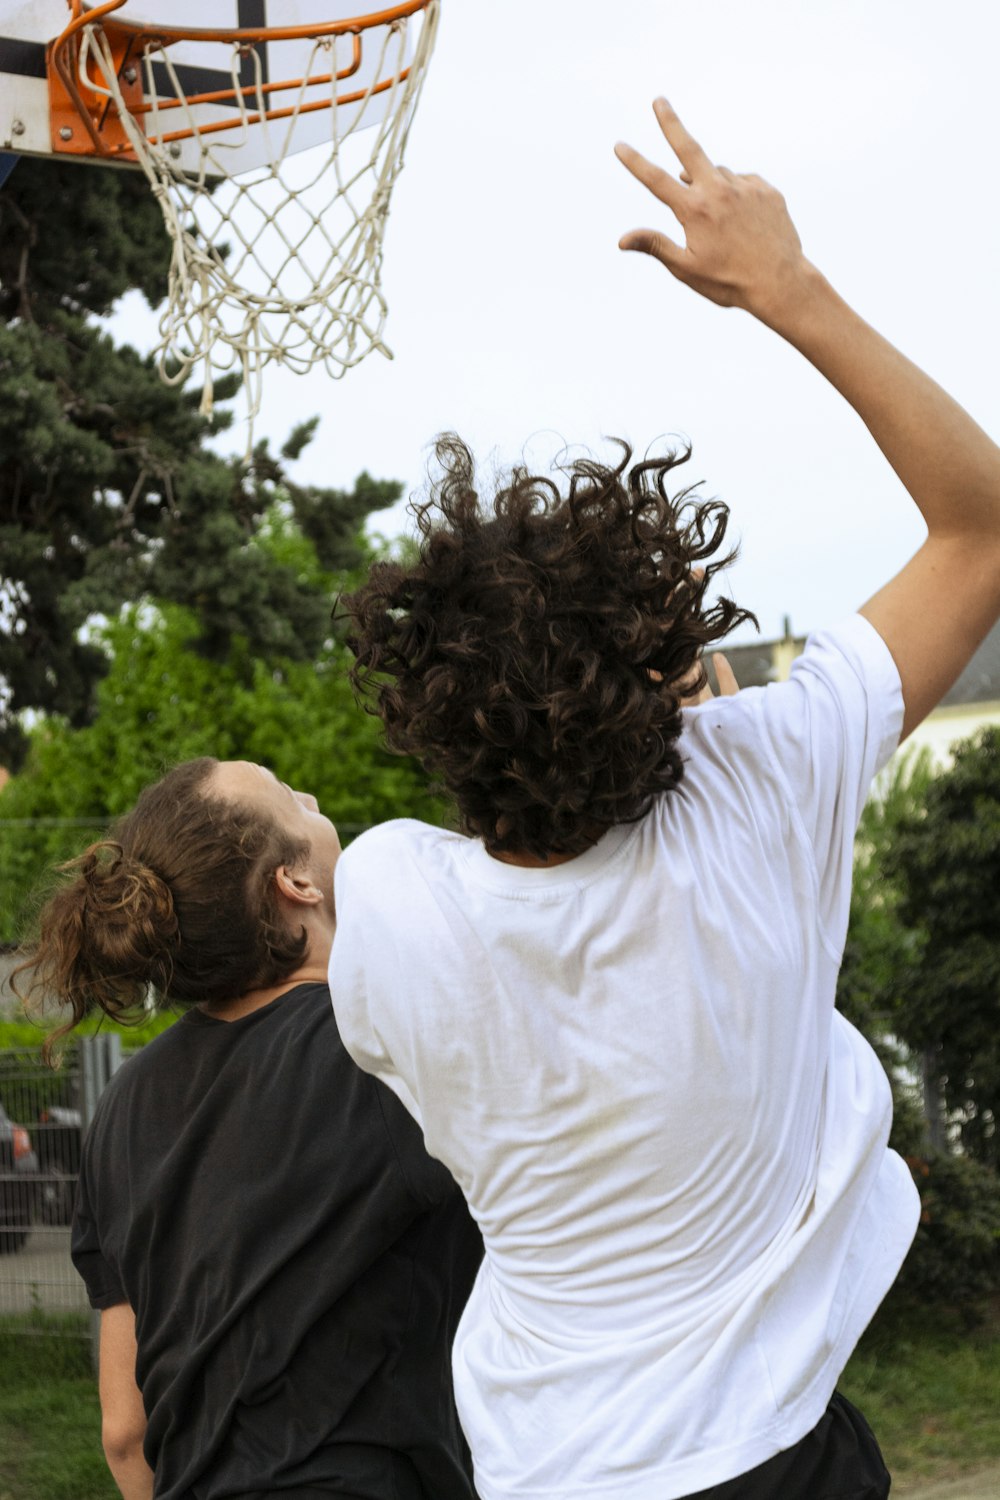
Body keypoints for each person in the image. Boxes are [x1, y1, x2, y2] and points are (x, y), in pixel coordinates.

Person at [326, 101, 1000, 1500]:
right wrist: (787, 289)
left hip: (544, 1468)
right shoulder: (763, 774)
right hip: (775, 1460)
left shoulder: (388, 902)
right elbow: (981, 526)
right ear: (667, 683)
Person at [13, 757, 483, 1500]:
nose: (313, 792)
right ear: (296, 884)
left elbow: (125, 1436)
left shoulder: (123, 1107)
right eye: (293, 798)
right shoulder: (388, 1043)